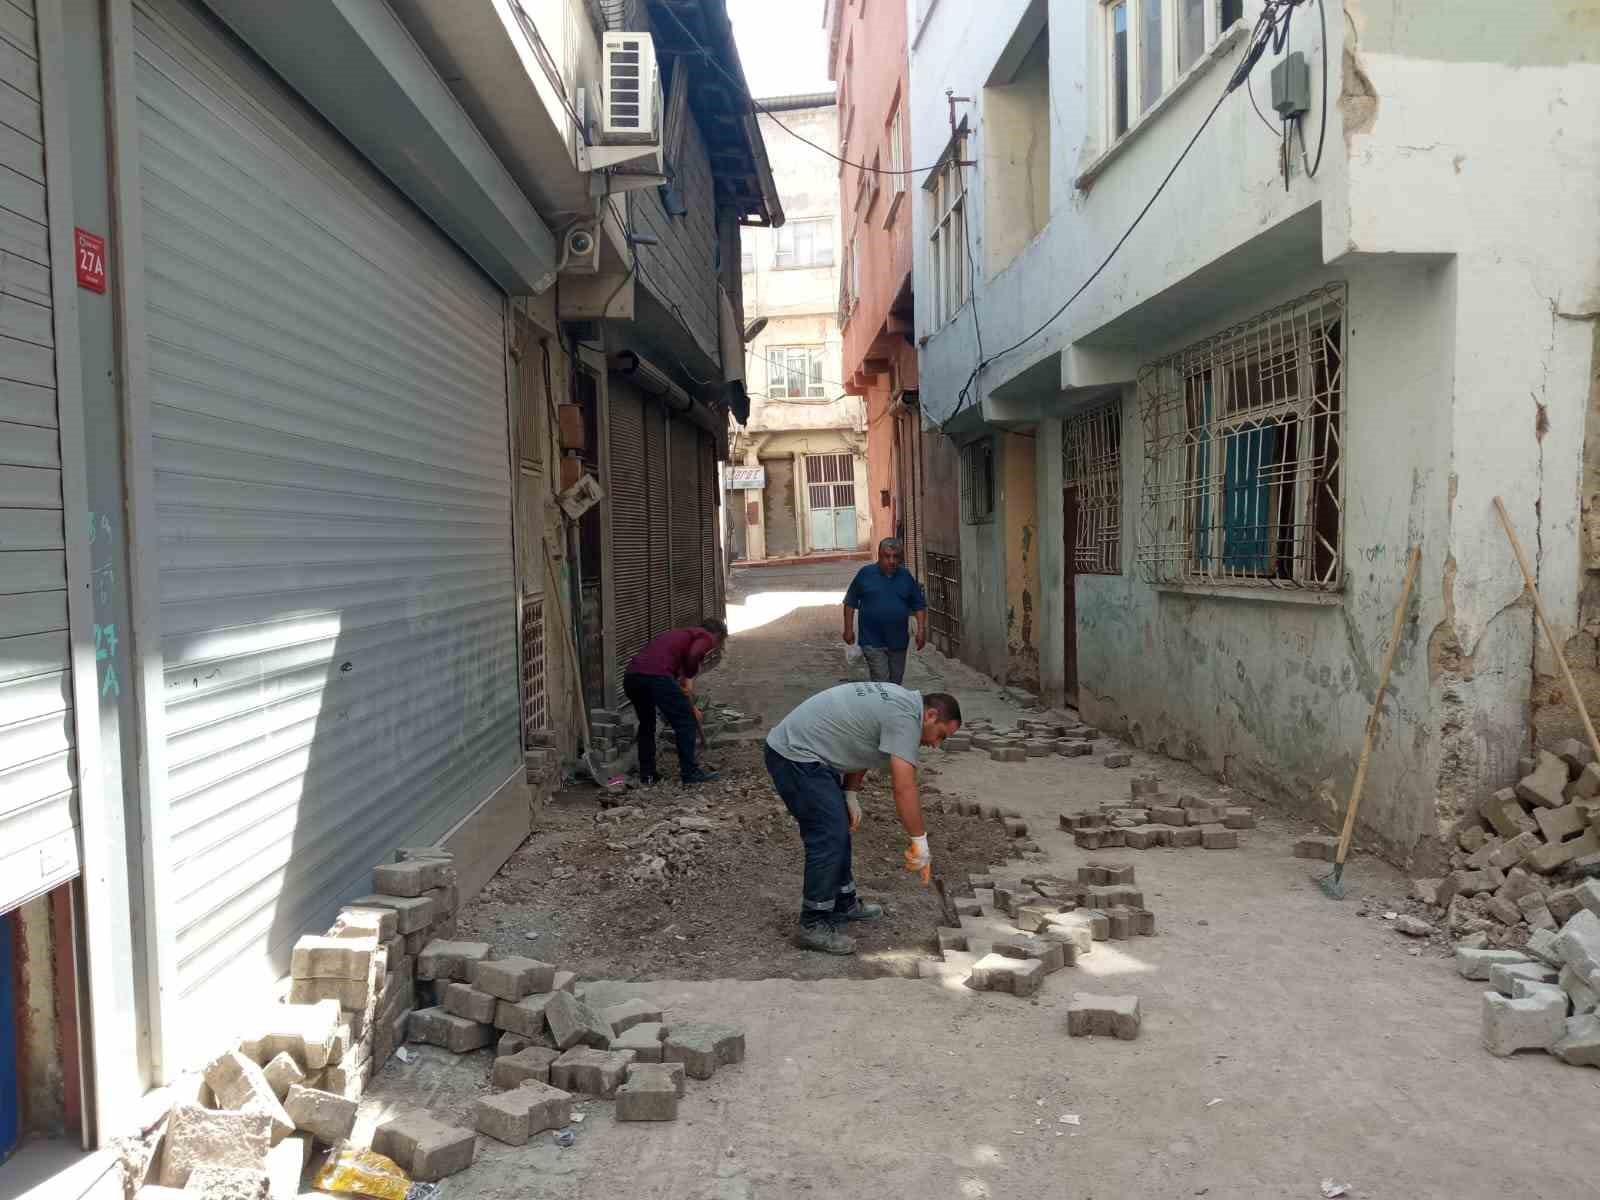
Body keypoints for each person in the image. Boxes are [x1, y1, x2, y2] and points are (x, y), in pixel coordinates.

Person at [765, 682, 963, 954]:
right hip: (795, 755)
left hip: (811, 754)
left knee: (838, 826)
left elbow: (863, 743)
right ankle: (812, 923)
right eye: (940, 735)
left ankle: (842, 903)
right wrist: (920, 842)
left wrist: (850, 792)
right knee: (829, 834)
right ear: (930, 716)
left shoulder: (901, 702)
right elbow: (904, 787)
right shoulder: (906, 719)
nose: (936, 745)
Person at [623, 618, 728, 786]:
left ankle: (647, 775)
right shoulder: (705, 636)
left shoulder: (678, 635)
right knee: (686, 721)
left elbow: (668, 668)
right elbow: (693, 655)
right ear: (716, 635)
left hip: (632, 677)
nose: (713, 647)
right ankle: (690, 773)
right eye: (718, 643)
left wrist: (682, 682)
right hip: (656, 677)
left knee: (647, 724)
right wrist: (690, 672)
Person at [842, 538, 927, 685]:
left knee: (895, 683)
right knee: (882, 682)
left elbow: (919, 605)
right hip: (872, 641)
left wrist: (921, 630)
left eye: (896, 557)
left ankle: (888, 707)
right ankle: (884, 706)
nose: (892, 561)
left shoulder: (905, 576)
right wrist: (848, 629)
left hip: (898, 642)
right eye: (887, 556)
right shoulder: (865, 574)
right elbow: (850, 602)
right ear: (879, 555)